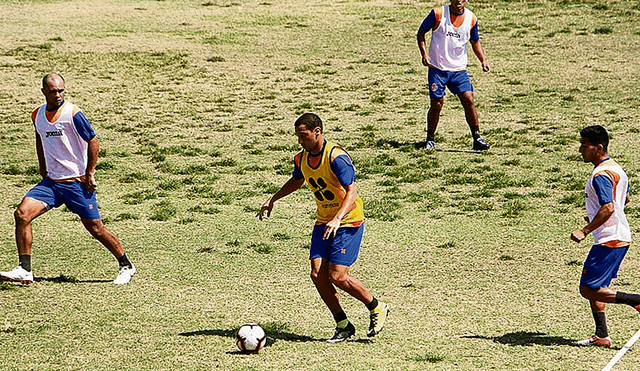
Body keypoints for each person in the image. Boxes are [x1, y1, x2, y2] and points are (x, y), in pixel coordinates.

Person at [257, 113, 389, 343]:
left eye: (303, 135)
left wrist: (338, 218)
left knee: (337, 275)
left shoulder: (336, 157)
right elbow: (297, 180)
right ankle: (343, 325)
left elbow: (352, 192)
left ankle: (377, 307)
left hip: (348, 221)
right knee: (318, 275)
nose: (300, 141)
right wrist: (273, 198)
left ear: (317, 132)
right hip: (324, 221)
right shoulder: (301, 159)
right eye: (298, 136)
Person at [0, 74, 136, 285]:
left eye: (61, 90)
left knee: (95, 227)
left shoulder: (73, 114)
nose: (58, 95)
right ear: (43, 91)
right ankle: (25, 269)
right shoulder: (37, 115)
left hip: (76, 182)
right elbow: (39, 138)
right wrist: (42, 166)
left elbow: (93, 141)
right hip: (52, 183)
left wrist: (90, 173)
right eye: (53, 91)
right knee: (21, 214)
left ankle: (126, 265)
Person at [571, 125, 640, 347]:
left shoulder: (600, 174)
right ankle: (601, 335)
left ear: (598, 147)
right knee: (598, 287)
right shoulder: (616, 168)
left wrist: (586, 230)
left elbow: (609, 207)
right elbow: (625, 200)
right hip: (618, 235)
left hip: (609, 239)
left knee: (588, 288)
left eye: (585, 146)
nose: (581, 150)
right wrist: (594, 216)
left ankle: (636, 301)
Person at [416, 0, 491, 151]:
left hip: (459, 69)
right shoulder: (437, 14)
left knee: (468, 99)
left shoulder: (471, 18)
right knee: (437, 104)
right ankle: (430, 139)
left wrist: (483, 60)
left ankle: (477, 138)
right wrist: (424, 54)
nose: (459, 1)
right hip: (438, 68)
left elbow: (475, 41)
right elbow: (421, 33)